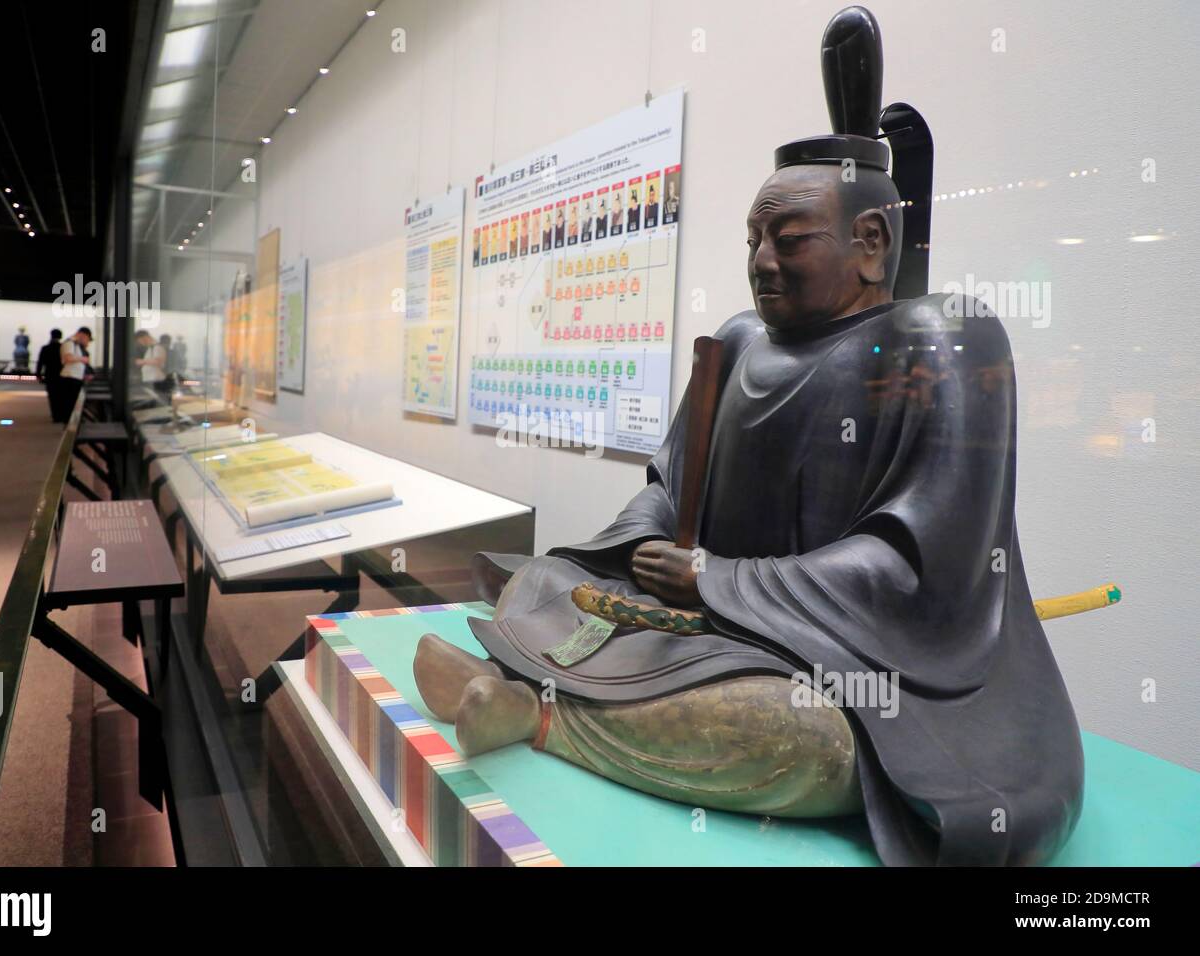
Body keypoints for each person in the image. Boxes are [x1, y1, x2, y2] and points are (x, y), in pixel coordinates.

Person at [413, 7, 1083, 867]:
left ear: (871, 242)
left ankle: (542, 716)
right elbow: (666, 483)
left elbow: (921, 571)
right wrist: (654, 540)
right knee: (545, 578)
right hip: (706, 625)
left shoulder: (944, 341)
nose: (762, 260)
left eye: (790, 238)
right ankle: (540, 687)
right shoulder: (736, 342)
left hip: (854, 662)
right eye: (754, 239)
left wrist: (719, 578)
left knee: (798, 735)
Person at [55, 326, 92, 422]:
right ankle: (68, 426)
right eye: (87, 339)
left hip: (74, 378)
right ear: (82, 335)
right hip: (69, 378)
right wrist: (83, 359)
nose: (87, 343)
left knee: (71, 405)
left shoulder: (75, 345)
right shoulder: (69, 343)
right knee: (69, 405)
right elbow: (68, 358)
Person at [36, 328, 64, 422]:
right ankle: (61, 414)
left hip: (50, 375)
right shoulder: (63, 348)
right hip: (62, 376)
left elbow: (40, 363)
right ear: (60, 337)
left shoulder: (45, 348)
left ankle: (55, 415)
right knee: (61, 395)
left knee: (52, 396)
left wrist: (38, 375)